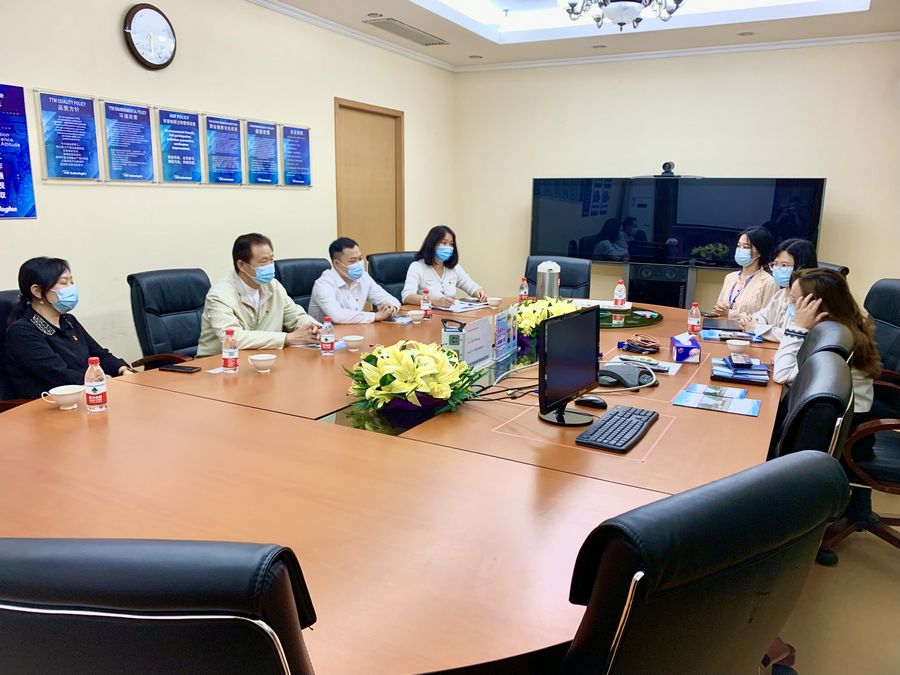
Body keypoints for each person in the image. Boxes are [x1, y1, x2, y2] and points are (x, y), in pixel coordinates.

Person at [4, 257, 132, 399]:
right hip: (50, 405)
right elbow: (59, 374)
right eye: (64, 283)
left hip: (87, 395)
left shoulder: (68, 321)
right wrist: (103, 382)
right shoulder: (22, 331)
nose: (71, 288)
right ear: (37, 291)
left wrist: (122, 370)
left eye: (72, 282)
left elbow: (99, 355)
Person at [773, 268, 880, 414]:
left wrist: (798, 327)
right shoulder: (834, 326)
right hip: (822, 407)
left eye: (794, 301)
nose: (791, 306)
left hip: (842, 418)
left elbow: (782, 375)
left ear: (815, 306)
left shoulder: (834, 338)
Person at [197, 233, 320, 356]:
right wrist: (286, 338)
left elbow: (295, 316)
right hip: (221, 361)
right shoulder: (219, 295)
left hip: (265, 358)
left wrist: (312, 327)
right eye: (264, 261)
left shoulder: (273, 286)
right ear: (242, 265)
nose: (270, 266)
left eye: (271, 259)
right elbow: (233, 337)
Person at [737, 238, 818, 342]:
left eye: (784, 265)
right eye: (775, 264)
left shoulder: (809, 300)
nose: (777, 269)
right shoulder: (781, 294)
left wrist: (757, 328)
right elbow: (763, 316)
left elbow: (794, 334)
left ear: (801, 268)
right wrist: (749, 320)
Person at [309, 237, 400, 324]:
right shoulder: (323, 284)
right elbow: (337, 315)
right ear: (336, 264)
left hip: (356, 330)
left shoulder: (363, 277)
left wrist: (390, 308)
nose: (359, 264)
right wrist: (375, 316)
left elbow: (391, 299)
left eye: (360, 259)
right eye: (352, 261)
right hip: (328, 333)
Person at [401, 225, 486, 308]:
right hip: (428, 314)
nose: (448, 247)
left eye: (451, 244)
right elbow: (407, 296)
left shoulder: (454, 268)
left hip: (451, 315)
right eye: (444, 243)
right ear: (432, 244)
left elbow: (472, 287)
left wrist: (478, 291)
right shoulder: (417, 267)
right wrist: (434, 301)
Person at [712, 227, 778, 318]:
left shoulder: (769, 282)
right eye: (738, 246)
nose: (740, 250)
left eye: (746, 247)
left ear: (760, 252)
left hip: (747, 327)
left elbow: (767, 318)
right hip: (721, 326)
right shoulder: (730, 277)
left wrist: (731, 314)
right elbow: (718, 309)